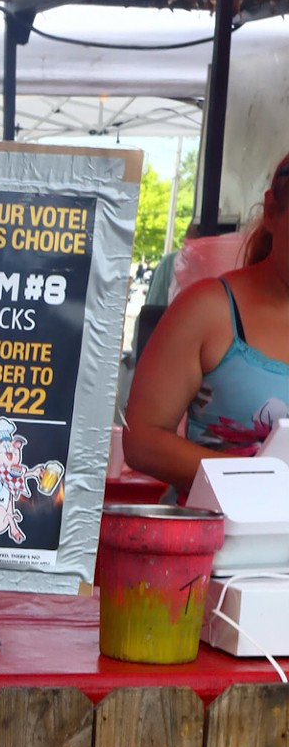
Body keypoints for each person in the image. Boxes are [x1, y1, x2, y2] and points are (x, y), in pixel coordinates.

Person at [124, 155, 289, 496]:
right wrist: (260, 483)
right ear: (272, 212)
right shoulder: (209, 309)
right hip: (217, 543)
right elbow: (142, 440)